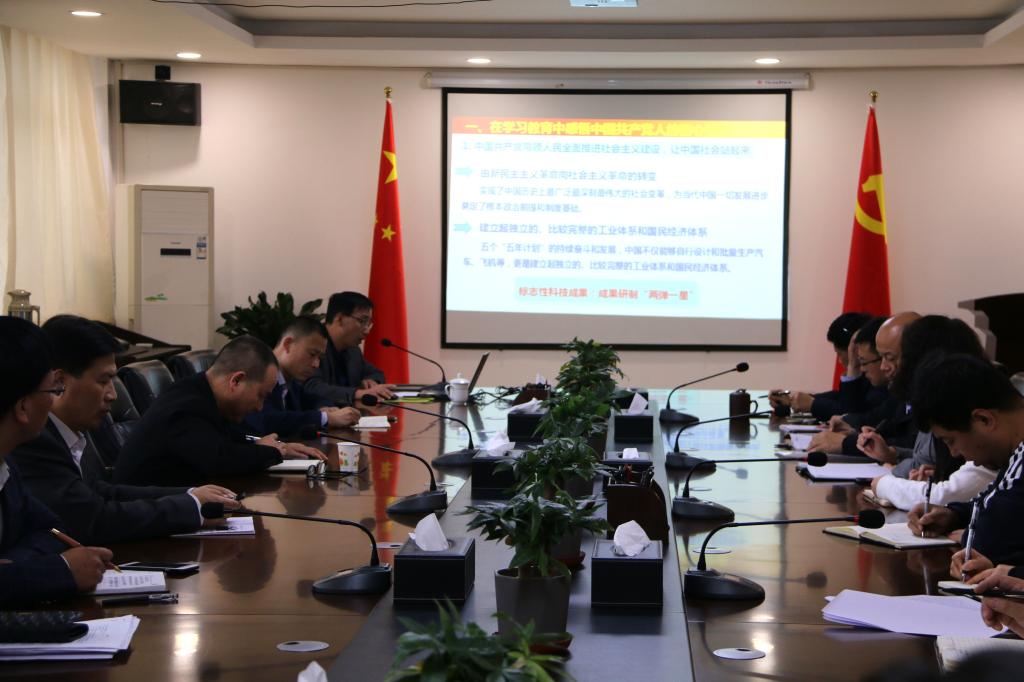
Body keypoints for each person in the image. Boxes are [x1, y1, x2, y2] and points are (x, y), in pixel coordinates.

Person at [9, 315, 241, 545]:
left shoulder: (68, 432)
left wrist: (190, 495)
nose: (112, 395)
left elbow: (99, 492)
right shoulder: (35, 439)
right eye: (103, 381)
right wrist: (191, 507)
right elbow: (93, 519)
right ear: (59, 382)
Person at [0, 316, 112, 606]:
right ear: (23, 407)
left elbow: (52, 530)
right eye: (53, 391)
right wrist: (59, 570)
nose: (54, 402)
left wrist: (12, 566)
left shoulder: (7, 464)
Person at [114, 335, 325, 487]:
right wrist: (274, 452)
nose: (260, 407)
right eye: (261, 395)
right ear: (236, 381)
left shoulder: (204, 394)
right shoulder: (187, 407)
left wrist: (277, 446)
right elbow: (219, 460)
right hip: (144, 521)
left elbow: (226, 441)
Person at [905, 353, 1024, 575]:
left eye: (950, 441)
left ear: (984, 420)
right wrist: (954, 515)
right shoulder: (1012, 455)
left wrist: (971, 534)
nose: (955, 453)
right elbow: (993, 501)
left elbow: (991, 542)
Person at [861, 316, 996, 510]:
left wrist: (883, 484)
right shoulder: (943, 398)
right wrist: (939, 475)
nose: (885, 367)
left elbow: (947, 495)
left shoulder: (967, 402)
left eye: (892, 358)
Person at [808, 312, 920, 455]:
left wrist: (846, 443)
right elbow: (881, 422)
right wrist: (854, 428)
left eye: (890, 358)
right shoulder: (902, 393)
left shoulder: (927, 394)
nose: (883, 366)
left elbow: (914, 447)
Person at [244, 316, 360, 437]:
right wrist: (326, 418)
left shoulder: (290, 380)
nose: (316, 364)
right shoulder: (257, 372)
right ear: (288, 344)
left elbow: (312, 398)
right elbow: (265, 420)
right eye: (312, 354)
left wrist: (327, 408)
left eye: (319, 358)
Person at [769, 311, 875, 419]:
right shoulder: (864, 377)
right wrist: (794, 399)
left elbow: (849, 413)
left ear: (854, 350)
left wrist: (812, 404)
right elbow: (840, 397)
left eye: (839, 354)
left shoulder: (878, 382)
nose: (839, 361)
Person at [303, 292, 395, 405]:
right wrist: (358, 393)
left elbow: (376, 373)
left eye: (368, 323)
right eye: (362, 321)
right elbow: (311, 387)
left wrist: (371, 381)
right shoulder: (313, 344)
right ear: (340, 319)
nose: (367, 331)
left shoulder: (353, 350)